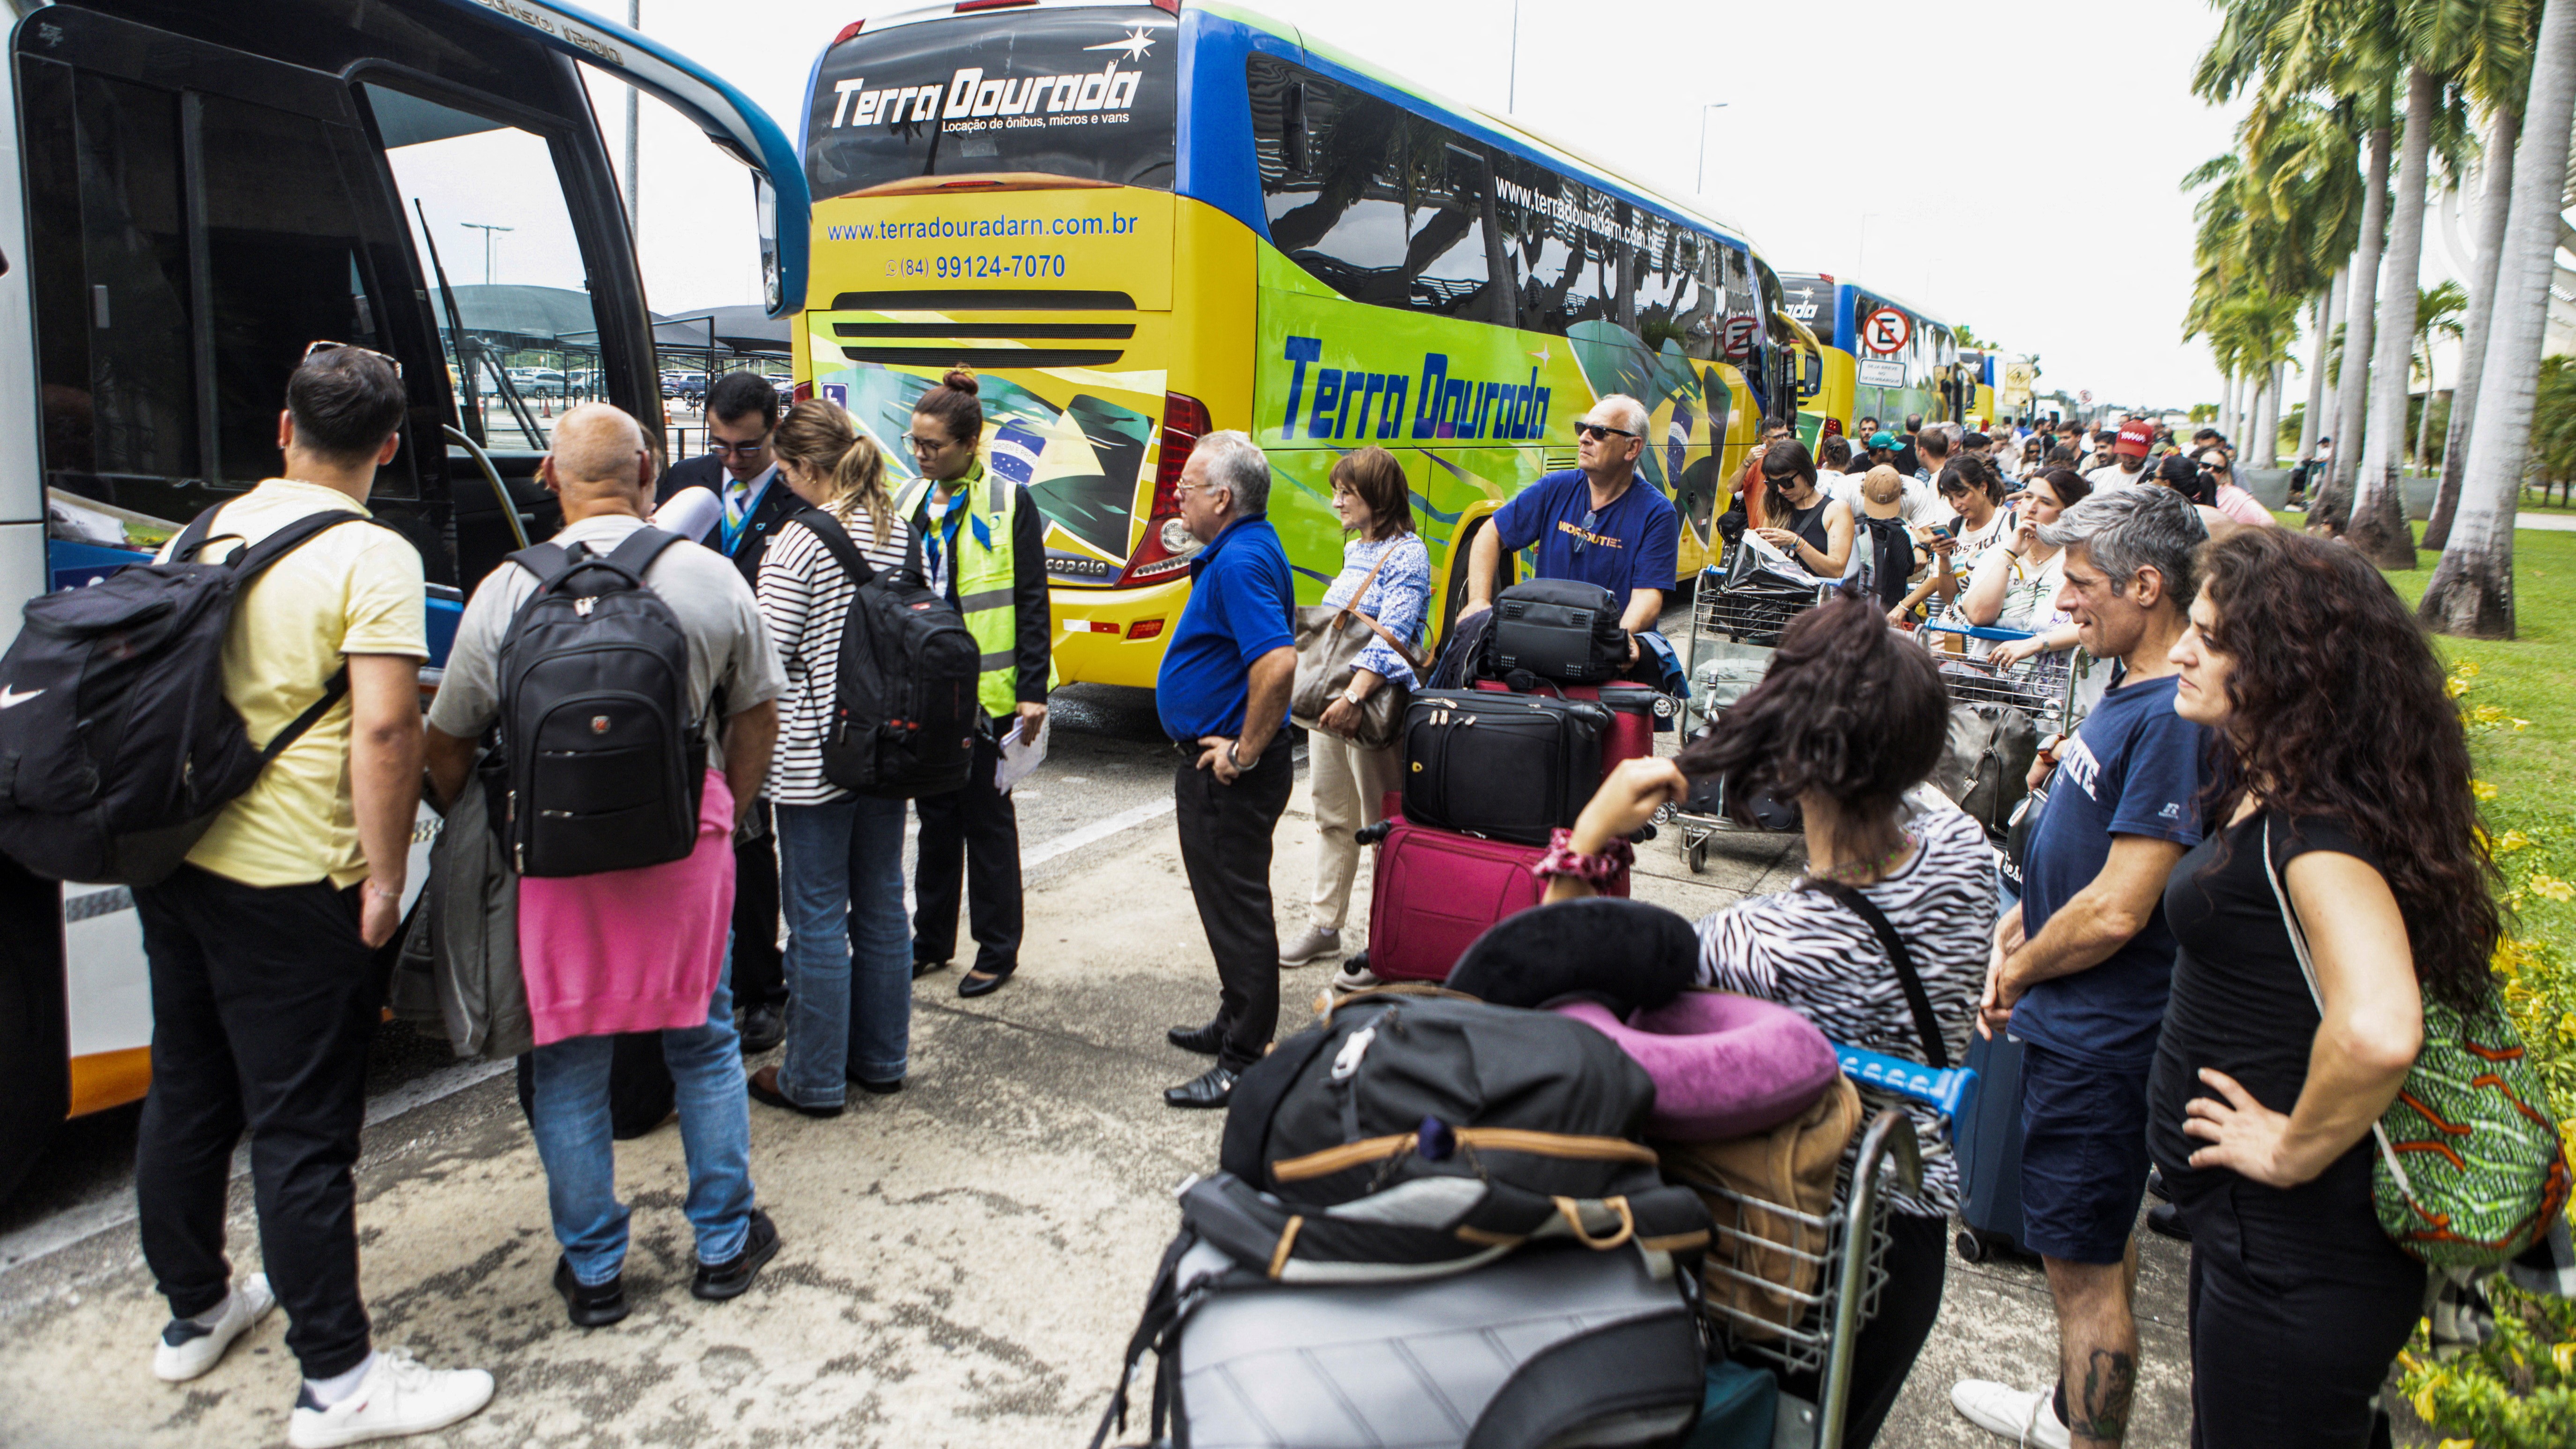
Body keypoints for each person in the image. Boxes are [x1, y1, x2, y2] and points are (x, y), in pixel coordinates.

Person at [132, 344, 492, 1448]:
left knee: (188, 1087)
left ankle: (195, 1312)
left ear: (283, 429)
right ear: (387, 448)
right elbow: (385, 728)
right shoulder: (367, 555)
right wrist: (385, 877)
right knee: (301, 1130)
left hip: (179, 861)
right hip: (292, 879)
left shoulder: (205, 530)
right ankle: (338, 1382)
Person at [1540, 591, 1994, 1449]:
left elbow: (1552, 986)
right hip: (1916, 1229)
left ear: (1798, 761)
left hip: (1794, 1254)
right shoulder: (1959, 845)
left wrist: (1591, 831)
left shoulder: (1761, 943)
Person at [424, 404, 786, 1333]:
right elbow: (756, 716)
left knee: (570, 1060)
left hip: (553, 858)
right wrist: (727, 810)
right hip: (685, 842)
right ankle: (720, 1242)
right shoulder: (706, 576)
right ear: (650, 470)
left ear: (550, 475)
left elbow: (450, 738)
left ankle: (593, 1271)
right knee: (702, 1041)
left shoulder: (505, 591)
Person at [2153, 529, 2474, 1448]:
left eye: (2209, 637)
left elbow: (2376, 1027)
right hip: (2256, 1240)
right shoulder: (2283, 782)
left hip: (2296, 1251)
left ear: (2292, 667)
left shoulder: (2317, 832)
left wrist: (2291, 1149)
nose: (2179, 647)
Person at [1951, 488, 2210, 1449]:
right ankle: (2068, 1407)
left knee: (2082, 1265)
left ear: (2147, 585)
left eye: (2080, 582)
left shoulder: (2176, 715)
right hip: (2079, 1017)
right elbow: (2087, 860)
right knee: (2093, 1241)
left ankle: (2086, 1433)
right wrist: (2020, 917)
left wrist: (2020, 969)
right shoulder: (2133, 685)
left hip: (2101, 1037)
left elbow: (2115, 908)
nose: (2062, 602)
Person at [743, 401, 918, 1116]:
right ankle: (882, 1059)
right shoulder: (899, 532)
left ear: (808, 468)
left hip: (815, 756)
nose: (783, 484)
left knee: (815, 914)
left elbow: (765, 660)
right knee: (880, 903)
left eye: (784, 471)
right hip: (888, 749)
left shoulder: (798, 541)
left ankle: (813, 1078)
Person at [898, 367, 1054, 998]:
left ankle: (997, 949)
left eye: (933, 445)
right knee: (934, 819)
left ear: (971, 442)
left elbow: (1032, 599)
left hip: (989, 695)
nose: (921, 454)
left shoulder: (1012, 501)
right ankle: (931, 940)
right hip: (926, 692)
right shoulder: (908, 500)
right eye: (915, 443)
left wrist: (1033, 689)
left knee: (988, 822)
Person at [655, 370, 797, 1052]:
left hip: (753, 697)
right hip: (684, 691)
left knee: (748, 842)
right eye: (721, 445)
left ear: (773, 428)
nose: (732, 460)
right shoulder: (688, 482)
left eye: (746, 448)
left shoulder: (796, 497)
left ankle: (761, 989)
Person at [1157, 431, 1299, 1109]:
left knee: (1239, 913)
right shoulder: (1244, 546)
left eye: (1187, 485)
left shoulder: (1241, 559)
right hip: (1227, 768)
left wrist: (1242, 752)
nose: (1177, 495)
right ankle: (1233, 1021)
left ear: (1222, 496)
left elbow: (1278, 662)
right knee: (1229, 909)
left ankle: (1245, 1058)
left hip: (1229, 774)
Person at [1294, 447, 1432, 981]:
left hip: (1367, 708)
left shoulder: (1408, 553)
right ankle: (1325, 927)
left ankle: (1389, 942)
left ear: (1377, 497)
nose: (1336, 503)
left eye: (1345, 493)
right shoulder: (1358, 549)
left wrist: (1353, 698)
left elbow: (1395, 638)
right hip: (1333, 705)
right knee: (1332, 816)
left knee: (1383, 829)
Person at [1461, 395, 1680, 663]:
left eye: (1598, 433)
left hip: (1603, 656)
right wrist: (1478, 602)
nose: (1584, 439)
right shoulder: (1555, 487)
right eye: (1582, 429)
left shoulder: (1658, 513)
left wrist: (1615, 640)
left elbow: (1648, 598)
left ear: (1632, 448)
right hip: (1542, 644)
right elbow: (1490, 533)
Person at [1981, 468, 2095, 666]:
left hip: (2062, 684)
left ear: (2070, 511)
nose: (2031, 508)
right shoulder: (2000, 551)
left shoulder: (2089, 559)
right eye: (2028, 497)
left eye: (2045, 502)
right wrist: (2010, 555)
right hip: (1997, 684)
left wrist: (2037, 643)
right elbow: (1979, 615)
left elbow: (2102, 622)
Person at [1751, 438, 1854, 578]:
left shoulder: (1836, 510)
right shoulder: (1777, 506)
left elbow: (1836, 570)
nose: (1781, 490)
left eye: (1787, 482)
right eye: (1774, 484)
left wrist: (1796, 543)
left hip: (1816, 598)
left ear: (1805, 472)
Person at [2198, 450, 2275, 528]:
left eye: (2217, 469)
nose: (2210, 470)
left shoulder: (2235, 495)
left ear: (2223, 473)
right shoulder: (2188, 490)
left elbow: (2268, 522)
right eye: (2206, 466)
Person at [2087, 420, 2154, 495]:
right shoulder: (2096, 476)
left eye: (2135, 454)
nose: (2129, 459)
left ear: (2150, 449)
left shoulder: (2152, 485)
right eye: (2124, 453)